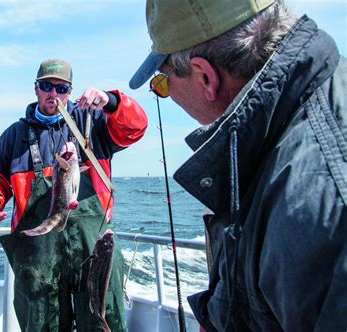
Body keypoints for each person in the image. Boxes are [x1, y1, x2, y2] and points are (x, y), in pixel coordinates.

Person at [129, 0, 346, 331]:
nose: (164, 93)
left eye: (162, 83)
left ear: (205, 77)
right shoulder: (279, 141)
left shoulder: (318, 202)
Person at [0, 58, 147, 331]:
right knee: (41, 324)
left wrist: (111, 101)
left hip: (93, 246)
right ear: (36, 89)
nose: (54, 94)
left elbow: (135, 127)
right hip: (37, 255)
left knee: (103, 318)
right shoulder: (14, 136)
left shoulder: (93, 122)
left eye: (62, 88)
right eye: (47, 86)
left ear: (71, 91)